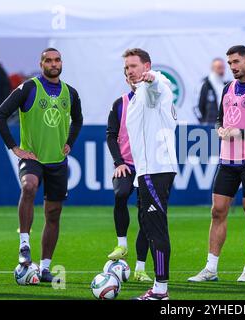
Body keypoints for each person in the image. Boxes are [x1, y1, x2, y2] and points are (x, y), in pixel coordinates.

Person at [0, 48, 83, 282]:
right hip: (32, 159)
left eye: (57, 60)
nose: (53, 64)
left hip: (58, 163)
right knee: (29, 186)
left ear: (61, 63)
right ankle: (24, 245)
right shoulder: (29, 88)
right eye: (48, 60)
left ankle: (44, 268)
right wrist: (15, 148)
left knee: (53, 214)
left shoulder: (70, 93)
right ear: (41, 63)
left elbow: (78, 120)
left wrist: (70, 143)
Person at [188, 45, 245, 283]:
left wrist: (240, 133)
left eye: (236, 62)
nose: (233, 67)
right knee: (217, 211)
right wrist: (219, 129)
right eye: (230, 63)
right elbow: (220, 117)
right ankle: (211, 268)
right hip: (227, 160)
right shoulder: (227, 88)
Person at [123, 48, 177, 300]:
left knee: (156, 229)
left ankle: (160, 291)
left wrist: (151, 78)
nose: (130, 71)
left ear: (146, 66)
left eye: (134, 65)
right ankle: (158, 288)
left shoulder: (156, 86)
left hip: (157, 169)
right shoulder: (137, 95)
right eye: (126, 67)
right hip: (146, 172)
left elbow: (158, 86)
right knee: (148, 226)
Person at [105, 72, 152, 282]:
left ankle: (140, 268)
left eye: (137, 74)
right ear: (126, 80)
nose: (134, 78)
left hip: (148, 166)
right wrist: (119, 162)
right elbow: (111, 135)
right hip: (126, 164)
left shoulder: (153, 101)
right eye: (129, 75)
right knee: (121, 193)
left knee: (146, 214)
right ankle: (122, 245)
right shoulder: (119, 104)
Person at [197, 58, 227, 125]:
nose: (222, 71)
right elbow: (197, 106)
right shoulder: (205, 85)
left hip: (224, 126)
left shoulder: (226, 85)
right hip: (209, 125)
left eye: (223, 68)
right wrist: (203, 122)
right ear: (213, 69)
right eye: (219, 68)